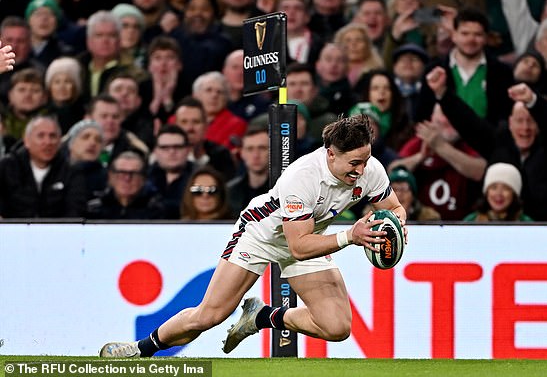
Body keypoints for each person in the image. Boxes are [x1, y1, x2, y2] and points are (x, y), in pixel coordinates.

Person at [99, 114, 407, 358]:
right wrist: (351, 236)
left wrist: (396, 225)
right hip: (261, 235)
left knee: (337, 327)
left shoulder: (370, 170)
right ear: (330, 155)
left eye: (365, 160)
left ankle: (262, 317)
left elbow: (394, 207)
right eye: (354, 162)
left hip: (307, 235)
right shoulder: (303, 177)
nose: (361, 169)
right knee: (209, 316)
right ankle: (140, 349)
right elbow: (298, 247)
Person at [426, 66, 547, 221]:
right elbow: (470, 124)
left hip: (546, 232)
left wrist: (533, 102)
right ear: (510, 123)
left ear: (539, 124)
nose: (525, 128)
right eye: (519, 121)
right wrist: (442, 93)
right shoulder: (500, 144)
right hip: (497, 226)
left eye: (531, 121)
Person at [0, 115, 86, 218]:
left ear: (59, 141)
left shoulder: (72, 171)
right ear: (26, 140)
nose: (48, 142)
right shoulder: (6, 167)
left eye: (53, 136)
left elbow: (75, 213)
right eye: (41, 136)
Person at [171, 96, 236, 181]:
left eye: (196, 122)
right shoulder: (167, 157)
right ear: (176, 126)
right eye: (184, 122)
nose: (189, 128)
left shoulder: (222, 156)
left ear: (206, 126)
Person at [87, 150, 166, 220]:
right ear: (110, 177)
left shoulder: (157, 211)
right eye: (121, 173)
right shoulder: (94, 210)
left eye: (134, 173)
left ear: (143, 179)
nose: (127, 179)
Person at [148, 124, 195, 219]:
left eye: (178, 147)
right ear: (155, 151)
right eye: (165, 148)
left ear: (188, 150)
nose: (172, 152)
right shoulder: (143, 178)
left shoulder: (200, 178)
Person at [226, 123, 270, 218]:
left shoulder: (281, 190)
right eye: (250, 149)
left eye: (262, 148)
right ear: (242, 153)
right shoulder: (230, 192)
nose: (256, 155)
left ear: (272, 151)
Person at [464, 162, 532, 222]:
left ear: (514, 194)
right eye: (493, 187)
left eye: (506, 188)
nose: (499, 194)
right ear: (487, 192)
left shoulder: (527, 223)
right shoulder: (471, 220)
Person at [44, 57, 85, 134]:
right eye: (57, 82)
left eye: (67, 81)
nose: (62, 87)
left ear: (75, 86)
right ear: (50, 87)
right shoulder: (42, 115)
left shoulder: (84, 115)